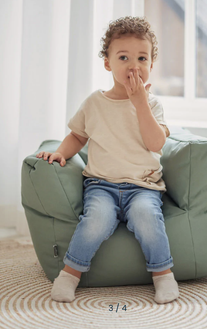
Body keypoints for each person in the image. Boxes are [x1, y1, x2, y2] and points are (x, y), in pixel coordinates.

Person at [36, 16, 179, 304]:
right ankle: (69, 274)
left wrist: (139, 103)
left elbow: (156, 143)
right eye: (123, 57)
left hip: (144, 186)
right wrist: (61, 153)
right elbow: (77, 136)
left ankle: (163, 275)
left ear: (151, 64)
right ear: (107, 63)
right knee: (95, 221)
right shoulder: (94, 103)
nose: (133, 65)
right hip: (101, 185)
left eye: (142, 58)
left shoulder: (152, 104)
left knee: (148, 218)